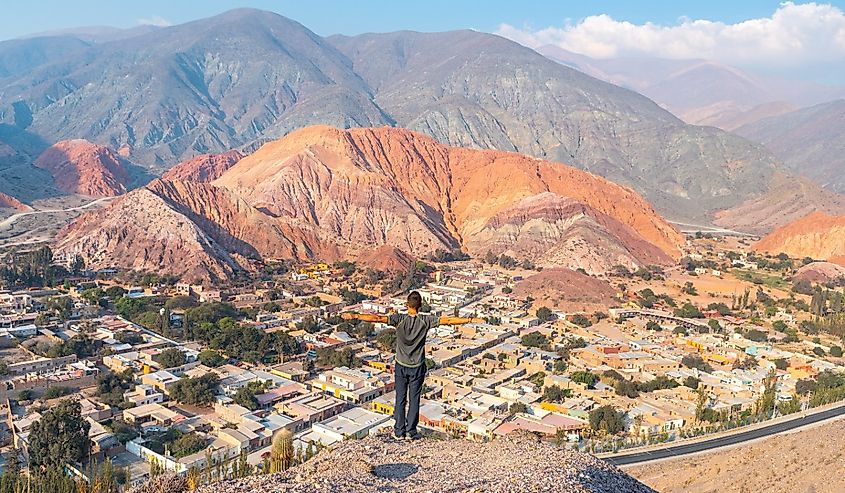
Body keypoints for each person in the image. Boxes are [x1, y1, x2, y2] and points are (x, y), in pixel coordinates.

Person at [342, 291, 483, 440]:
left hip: (401, 365)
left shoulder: (399, 319)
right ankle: (411, 431)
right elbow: (447, 321)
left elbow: (377, 318)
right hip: (417, 366)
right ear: (420, 305)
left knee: (400, 398)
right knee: (414, 399)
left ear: (407, 304)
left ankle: (399, 431)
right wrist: (470, 319)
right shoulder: (425, 320)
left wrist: (355, 316)